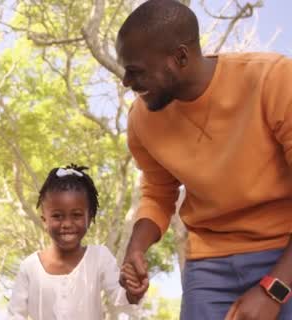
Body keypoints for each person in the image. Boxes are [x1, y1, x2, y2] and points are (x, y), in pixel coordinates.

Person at [115, 0, 292, 319]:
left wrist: (274, 288)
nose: (126, 82)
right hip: (209, 265)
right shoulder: (142, 120)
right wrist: (136, 247)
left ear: (180, 57)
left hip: (284, 248)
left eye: (135, 70)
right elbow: (158, 193)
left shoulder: (272, 78)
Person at [7, 164, 145, 320]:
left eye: (77, 215)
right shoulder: (29, 267)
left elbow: (121, 299)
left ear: (90, 217)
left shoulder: (99, 257)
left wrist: (134, 291)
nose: (67, 223)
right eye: (57, 216)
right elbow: (15, 314)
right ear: (44, 220)